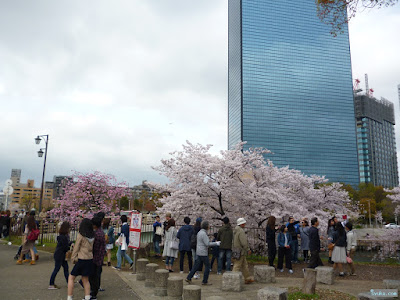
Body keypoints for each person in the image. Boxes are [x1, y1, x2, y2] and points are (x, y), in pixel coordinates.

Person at [67, 218, 94, 300]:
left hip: (81, 258)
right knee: (85, 279)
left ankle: (70, 297)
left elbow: (76, 248)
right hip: (89, 259)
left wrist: (73, 258)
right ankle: (87, 297)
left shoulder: (81, 235)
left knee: (71, 277)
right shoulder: (93, 236)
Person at [186, 221, 220, 285]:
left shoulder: (199, 232)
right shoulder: (203, 234)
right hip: (203, 252)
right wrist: (216, 243)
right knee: (207, 266)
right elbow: (207, 243)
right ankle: (204, 281)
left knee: (196, 266)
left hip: (199, 251)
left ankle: (189, 277)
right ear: (206, 226)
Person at [49, 221, 71, 289]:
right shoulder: (63, 237)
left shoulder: (64, 236)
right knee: (57, 269)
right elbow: (65, 247)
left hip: (61, 254)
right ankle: (51, 284)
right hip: (60, 255)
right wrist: (69, 246)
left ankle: (69, 282)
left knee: (66, 268)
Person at [232, 218, 254, 284]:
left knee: (244, 265)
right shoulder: (241, 231)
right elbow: (244, 242)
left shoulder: (235, 230)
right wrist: (248, 249)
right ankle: (233, 279)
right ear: (242, 224)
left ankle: (247, 278)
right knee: (237, 265)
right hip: (241, 251)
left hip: (236, 249)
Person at [89, 216, 106, 300]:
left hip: (96, 257)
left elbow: (94, 247)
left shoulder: (96, 234)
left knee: (94, 276)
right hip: (100, 257)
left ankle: (93, 293)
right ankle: (94, 291)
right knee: (96, 275)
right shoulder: (101, 232)